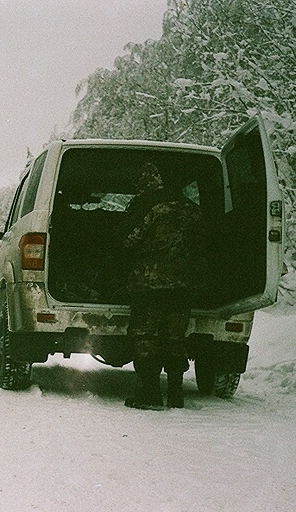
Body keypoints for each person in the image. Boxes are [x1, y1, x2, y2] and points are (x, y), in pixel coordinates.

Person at [123, 162, 208, 409]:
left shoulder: (155, 210)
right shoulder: (195, 212)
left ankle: (149, 395)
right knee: (175, 339)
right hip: (183, 287)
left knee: (146, 338)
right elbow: (205, 245)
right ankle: (175, 394)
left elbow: (130, 241)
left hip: (150, 286)